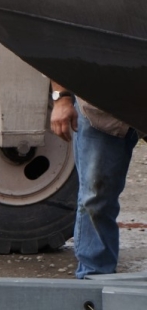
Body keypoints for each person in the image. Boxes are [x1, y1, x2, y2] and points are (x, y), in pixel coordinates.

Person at [50, 82, 138, 279]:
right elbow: (63, 51)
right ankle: (94, 280)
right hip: (102, 103)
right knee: (95, 198)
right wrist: (62, 98)